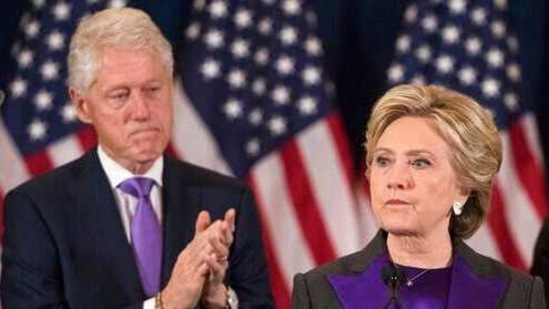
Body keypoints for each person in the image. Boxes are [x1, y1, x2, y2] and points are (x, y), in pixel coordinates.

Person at [0, 7, 273, 309]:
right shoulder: (37, 208)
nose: (142, 111)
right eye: (120, 95)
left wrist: (219, 298)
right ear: (82, 105)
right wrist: (166, 304)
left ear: (171, 87)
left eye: (153, 90)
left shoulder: (228, 199)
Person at [291, 84, 546, 308]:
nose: (396, 179)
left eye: (420, 163)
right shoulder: (318, 291)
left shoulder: (518, 295)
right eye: (383, 161)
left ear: (464, 187)